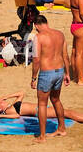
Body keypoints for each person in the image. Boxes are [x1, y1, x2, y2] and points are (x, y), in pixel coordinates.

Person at [30, 14, 71, 142]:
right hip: (59, 71)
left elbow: (36, 60)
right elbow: (65, 55)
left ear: (36, 25)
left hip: (47, 73)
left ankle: (42, 136)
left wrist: (33, 77)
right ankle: (62, 128)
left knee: (42, 104)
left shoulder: (39, 37)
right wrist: (67, 73)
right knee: (56, 100)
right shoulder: (60, 34)